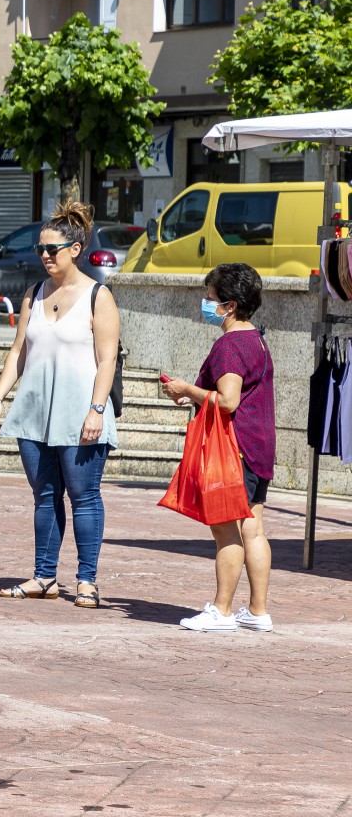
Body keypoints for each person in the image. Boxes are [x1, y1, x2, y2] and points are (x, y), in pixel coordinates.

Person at [0, 201, 121, 607]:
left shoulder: (98, 296)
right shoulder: (33, 294)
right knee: (45, 495)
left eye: (52, 249)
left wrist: (97, 410)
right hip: (34, 413)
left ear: (75, 249)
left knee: (84, 495)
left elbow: (107, 360)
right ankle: (44, 576)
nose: (44, 255)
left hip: (80, 413)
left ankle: (87, 580)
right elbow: (18, 352)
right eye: (40, 249)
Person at [162, 263, 275, 633]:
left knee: (226, 530)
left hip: (233, 448)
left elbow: (227, 401)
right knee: (253, 529)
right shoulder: (256, 338)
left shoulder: (229, 345)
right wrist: (193, 396)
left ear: (230, 305)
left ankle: (222, 610)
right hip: (258, 446)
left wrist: (186, 388)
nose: (206, 303)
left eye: (211, 298)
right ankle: (257, 611)